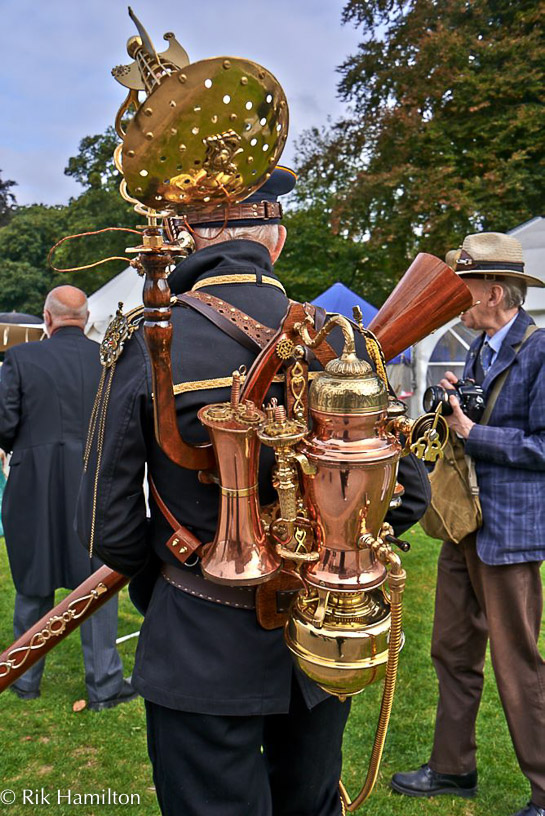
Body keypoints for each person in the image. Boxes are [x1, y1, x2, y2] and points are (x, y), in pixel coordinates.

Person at [76, 166, 431, 816]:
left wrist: (178, 573)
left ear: (185, 233)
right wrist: (333, 551)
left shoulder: (144, 340)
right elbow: (408, 494)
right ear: (277, 238)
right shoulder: (342, 341)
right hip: (322, 647)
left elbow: (109, 528)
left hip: (198, 640)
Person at [391, 232, 545, 816]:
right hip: (464, 523)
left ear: (497, 291)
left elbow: (542, 444)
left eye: (467, 289)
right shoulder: (482, 347)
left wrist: (473, 432)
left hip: (507, 532)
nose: (458, 300)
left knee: (517, 662)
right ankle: (454, 768)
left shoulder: (539, 350)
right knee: (451, 650)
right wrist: (458, 404)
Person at [0, 285, 136, 711]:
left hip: (32, 486)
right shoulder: (109, 361)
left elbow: (3, 426)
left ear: (47, 317)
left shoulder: (20, 358)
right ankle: (105, 685)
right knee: (97, 583)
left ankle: (24, 679)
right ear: (86, 316)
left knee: (33, 582)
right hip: (96, 486)